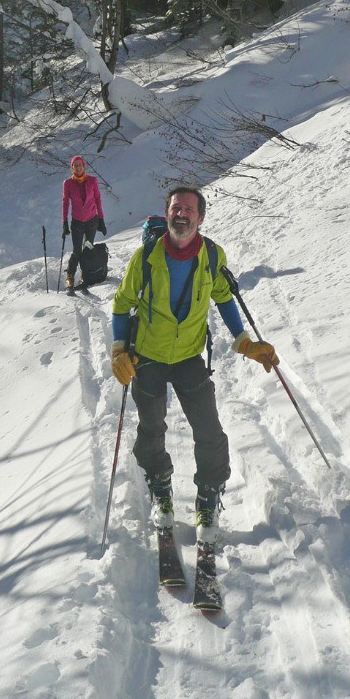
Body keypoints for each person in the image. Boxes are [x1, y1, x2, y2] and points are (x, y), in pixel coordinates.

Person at [110, 186, 278, 543]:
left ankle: (208, 497)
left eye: (188, 209)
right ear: (167, 213)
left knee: (209, 431)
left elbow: (224, 299)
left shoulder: (212, 258)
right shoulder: (145, 258)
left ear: (201, 217)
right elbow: (122, 304)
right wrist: (119, 350)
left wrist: (244, 342)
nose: (181, 214)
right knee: (151, 428)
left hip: (188, 356)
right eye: (175, 208)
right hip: (148, 356)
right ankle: (160, 487)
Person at [62, 156, 106, 291]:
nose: (78, 167)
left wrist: (101, 219)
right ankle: (70, 277)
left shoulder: (92, 181)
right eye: (75, 165)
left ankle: (86, 276)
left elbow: (98, 199)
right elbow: (65, 202)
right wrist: (64, 222)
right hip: (77, 222)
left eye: (80, 165)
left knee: (88, 249)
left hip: (92, 220)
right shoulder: (68, 183)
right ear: (72, 168)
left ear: (84, 166)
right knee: (77, 251)